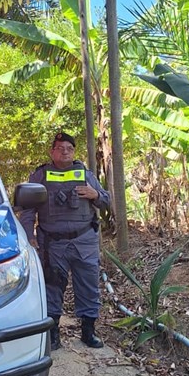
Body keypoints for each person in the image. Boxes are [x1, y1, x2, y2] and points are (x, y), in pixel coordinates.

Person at [20, 132, 110, 350]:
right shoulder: (40, 176)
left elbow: (107, 201)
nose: (65, 152)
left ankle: (88, 332)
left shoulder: (85, 174)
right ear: (52, 152)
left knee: (88, 286)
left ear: (74, 152)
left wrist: (95, 195)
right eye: (60, 148)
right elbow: (28, 209)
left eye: (69, 148)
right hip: (52, 243)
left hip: (84, 241)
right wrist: (29, 237)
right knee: (52, 287)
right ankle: (53, 335)